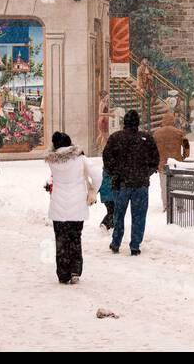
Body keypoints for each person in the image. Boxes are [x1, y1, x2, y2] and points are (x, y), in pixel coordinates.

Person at [102, 109, 159, 256]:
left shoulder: (116, 138)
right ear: (138, 123)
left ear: (124, 123)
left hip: (121, 184)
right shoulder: (146, 139)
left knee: (118, 214)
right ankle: (135, 245)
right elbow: (155, 160)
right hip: (140, 184)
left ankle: (116, 242)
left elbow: (107, 158)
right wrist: (146, 172)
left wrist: (115, 172)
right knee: (139, 215)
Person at [44, 131, 97, 284]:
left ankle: (63, 273)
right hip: (77, 205)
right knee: (75, 238)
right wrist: (93, 189)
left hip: (58, 206)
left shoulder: (52, 161)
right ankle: (75, 270)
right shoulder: (81, 159)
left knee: (61, 240)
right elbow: (97, 175)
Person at [152, 111, 190, 203]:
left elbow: (152, 149)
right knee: (179, 184)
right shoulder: (179, 132)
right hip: (176, 163)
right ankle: (180, 205)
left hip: (163, 164)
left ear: (163, 121)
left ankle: (166, 205)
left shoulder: (156, 134)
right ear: (173, 121)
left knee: (164, 186)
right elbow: (186, 145)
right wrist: (184, 156)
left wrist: (155, 162)